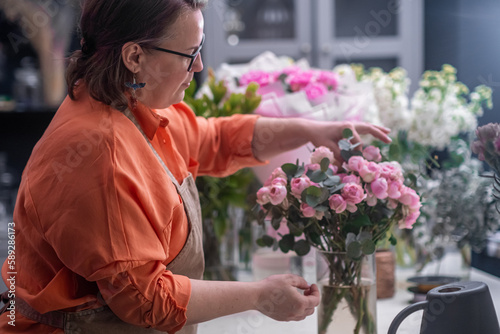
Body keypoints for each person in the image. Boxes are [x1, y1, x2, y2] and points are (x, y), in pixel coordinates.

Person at [0, 0, 392, 333]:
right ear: (134, 56)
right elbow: (144, 299)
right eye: (189, 54)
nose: (200, 65)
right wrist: (259, 296)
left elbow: (215, 139)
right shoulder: (100, 153)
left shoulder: (131, 102)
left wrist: (312, 130)